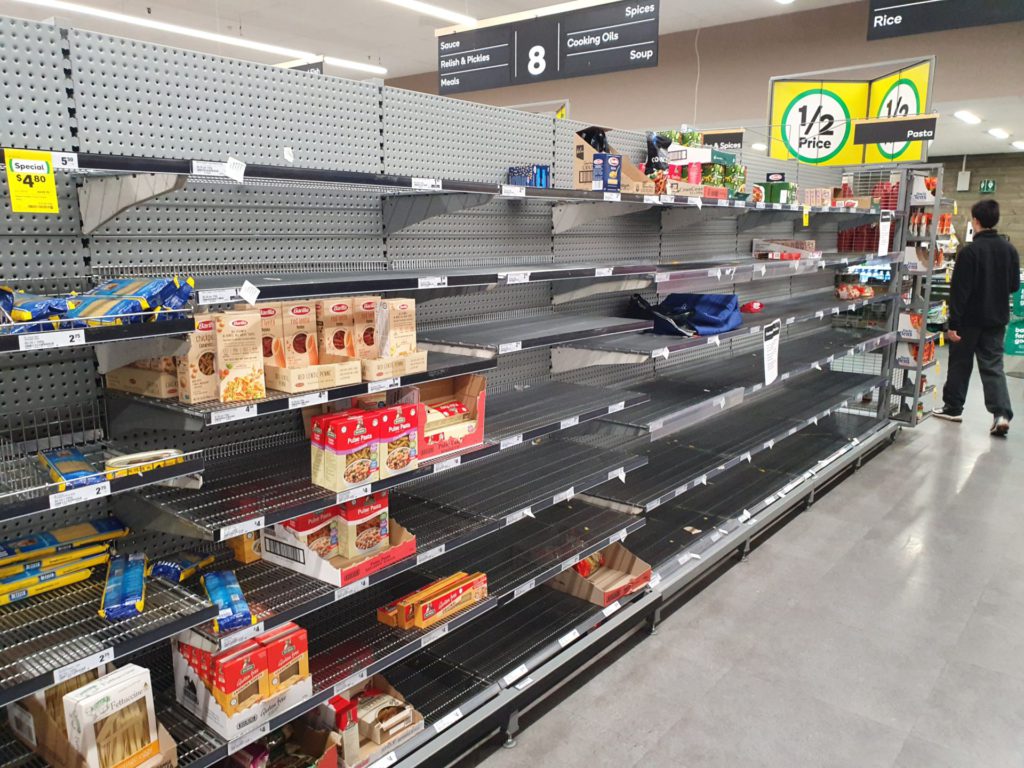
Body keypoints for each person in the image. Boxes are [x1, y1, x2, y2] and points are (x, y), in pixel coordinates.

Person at [934, 199, 1020, 435]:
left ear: (976, 221)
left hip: (969, 321)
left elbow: (960, 292)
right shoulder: (1010, 250)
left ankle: (953, 408)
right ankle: (1001, 414)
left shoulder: (969, 252)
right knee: (993, 366)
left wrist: (953, 324)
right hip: (996, 319)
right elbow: (1014, 285)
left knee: (960, 364)